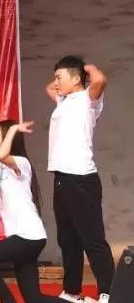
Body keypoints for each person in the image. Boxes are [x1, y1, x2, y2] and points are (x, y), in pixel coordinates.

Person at [0, 120, 66, 303]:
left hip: (28, 236)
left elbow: (3, 154)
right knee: (33, 298)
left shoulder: (21, 163)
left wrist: (12, 129)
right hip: (22, 237)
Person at [47, 56, 112, 303]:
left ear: (76, 79)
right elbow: (50, 88)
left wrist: (84, 67)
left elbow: (100, 79)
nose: (55, 82)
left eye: (59, 77)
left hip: (81, 179)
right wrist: (62, 77)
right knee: (68, 240)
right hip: (61, 178)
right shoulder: (63, 101)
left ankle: (108, 291)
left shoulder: (89, 100)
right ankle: (71, 291)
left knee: (92, 239)